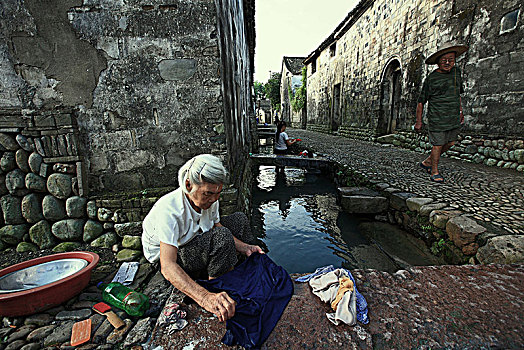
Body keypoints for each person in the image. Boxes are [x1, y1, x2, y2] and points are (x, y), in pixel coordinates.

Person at [142, 154, 264, 322]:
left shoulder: (211, 200)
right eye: (208, 194)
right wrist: (205, 298)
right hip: (174, 257)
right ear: (188, 185)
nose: (214, 199)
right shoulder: (169, 211)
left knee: (239, 220)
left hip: (195, 237)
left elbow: (215, 225)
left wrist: (245, 247)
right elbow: (167, 265)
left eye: (218, 193)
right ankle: (217, 289)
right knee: (222, 239)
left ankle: (230, 270)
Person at [415, 43, 468, 183]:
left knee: (450, 142)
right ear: (438, 62)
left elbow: (458, 94)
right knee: (437, 144)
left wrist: (461, 111)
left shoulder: (456, 72)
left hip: (453, 116)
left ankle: (427, 161)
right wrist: (418, 121)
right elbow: (421, 101)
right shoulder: (431, 79)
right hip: (437, 116)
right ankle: (434, 171)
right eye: (444, 60)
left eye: (450, 59)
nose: (447, 63)